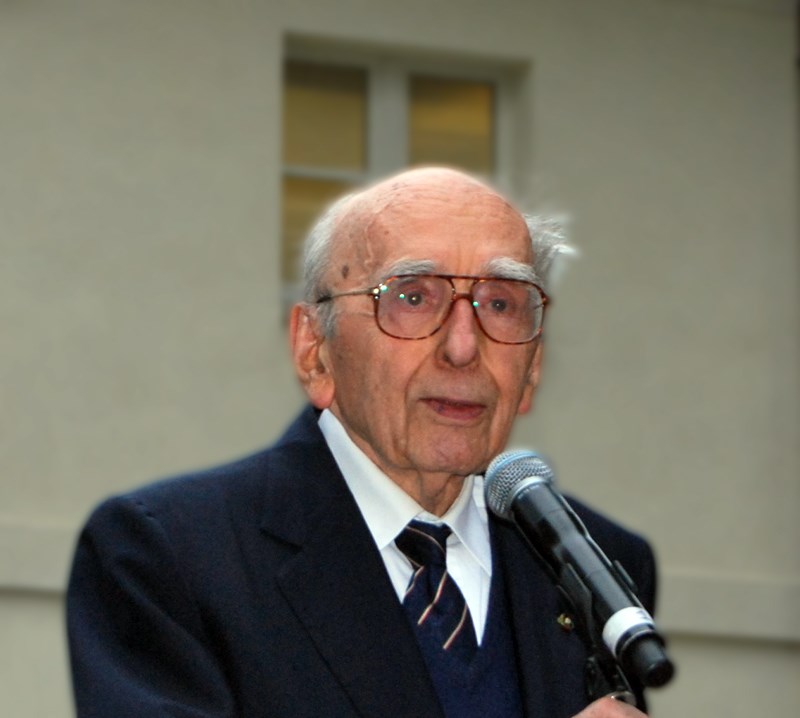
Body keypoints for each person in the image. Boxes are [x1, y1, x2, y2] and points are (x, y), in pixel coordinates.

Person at [67, 167, 658, 717]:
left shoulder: (595, 565)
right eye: (412, 297)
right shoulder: (168, 554)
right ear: (314, 350)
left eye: (501, 304)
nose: (463, 348)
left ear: (531, 370)